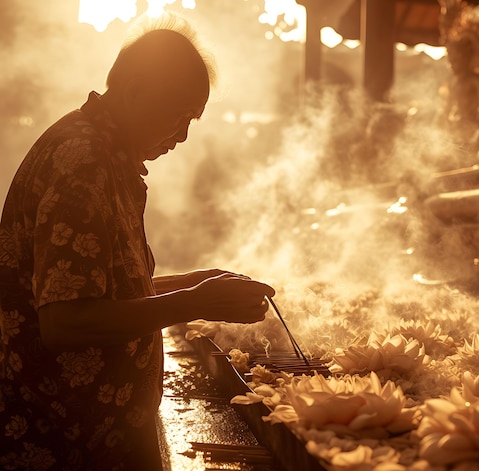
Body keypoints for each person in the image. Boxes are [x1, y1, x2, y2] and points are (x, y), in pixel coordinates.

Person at [0, 13, 275, 471]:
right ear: (134, 91)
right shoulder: (82, 161)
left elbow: (97, 293)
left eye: (192, 121)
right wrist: (193, 301)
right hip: (60, 446)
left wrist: (194, 283)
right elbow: (66, 321)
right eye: (179, 116)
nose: (183, 136)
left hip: (96, 438)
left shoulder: (106, 156)